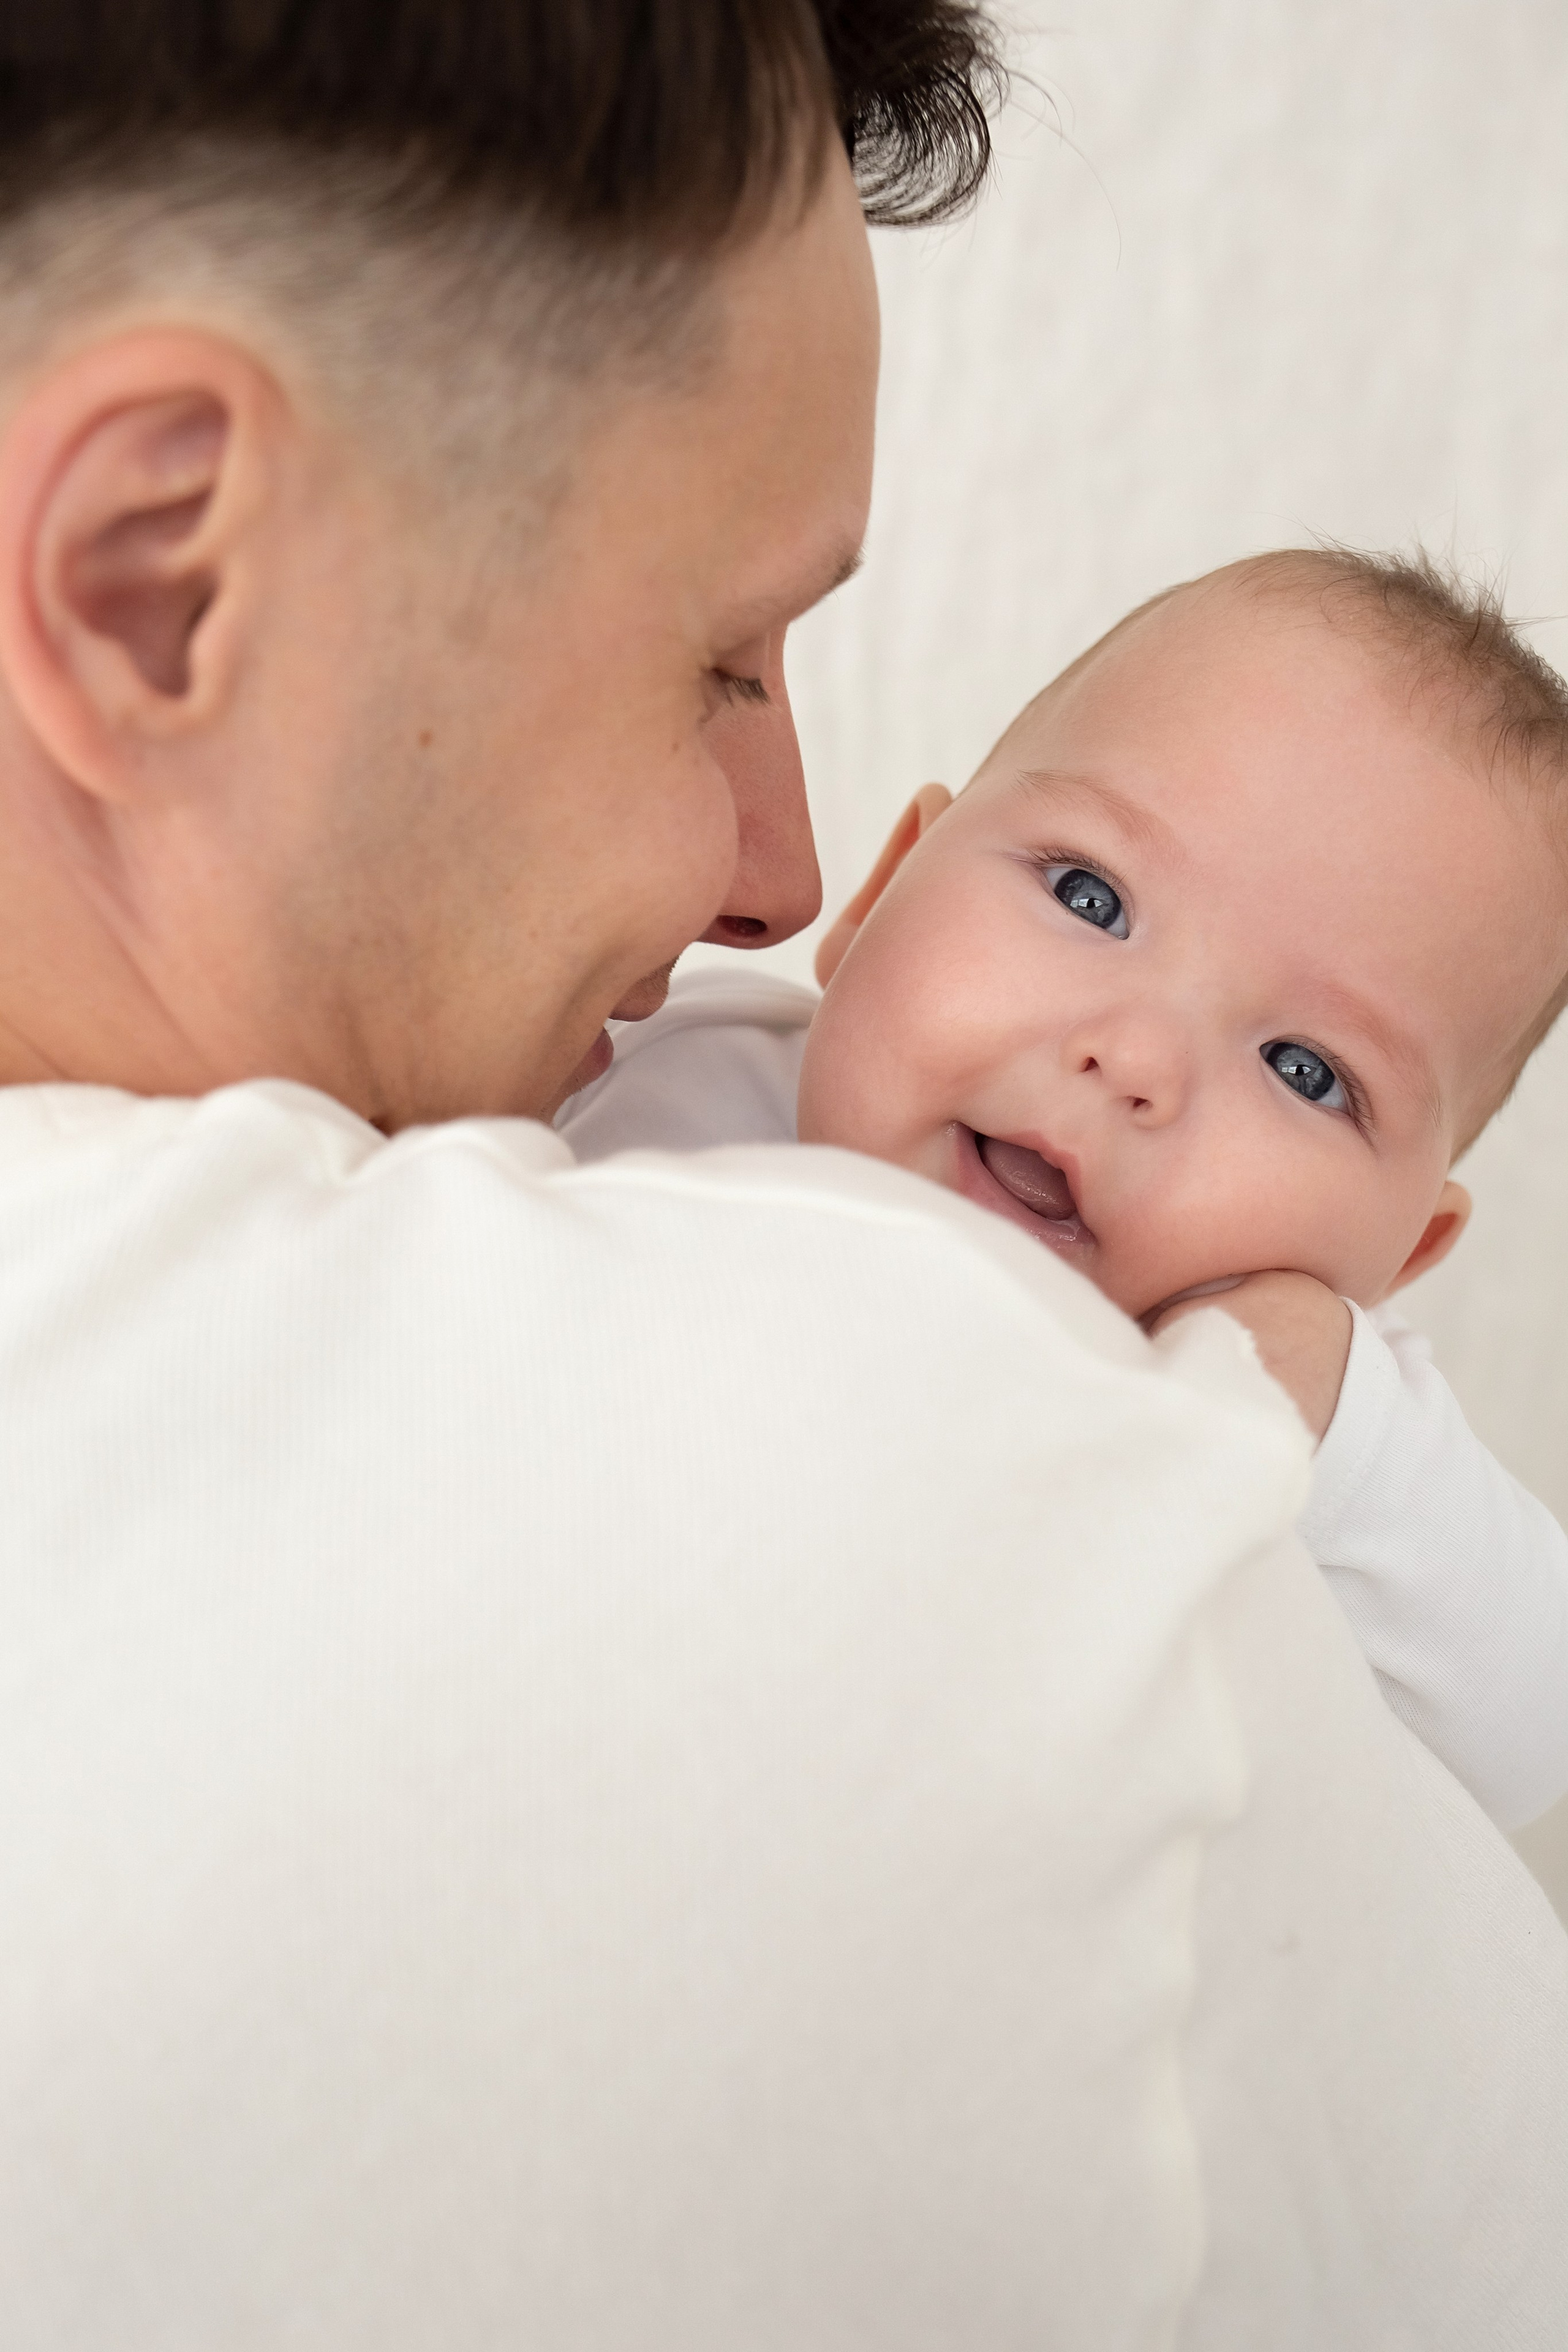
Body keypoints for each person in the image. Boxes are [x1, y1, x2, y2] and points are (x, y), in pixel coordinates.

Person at [1, 12, 1565, 2350]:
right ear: (147, 578)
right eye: (728, 657)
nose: (785, 869)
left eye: (1314, 1070)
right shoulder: (997, 1513)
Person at [563, 546, 1568, 1833]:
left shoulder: (1279, 1415)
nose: (1133, 1062)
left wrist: (1322, 1401)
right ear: (878, 896)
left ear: (1395, 1257)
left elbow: (1534, 1719)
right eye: (1089, 898)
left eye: (1304, 1072)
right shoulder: (663, 1079)